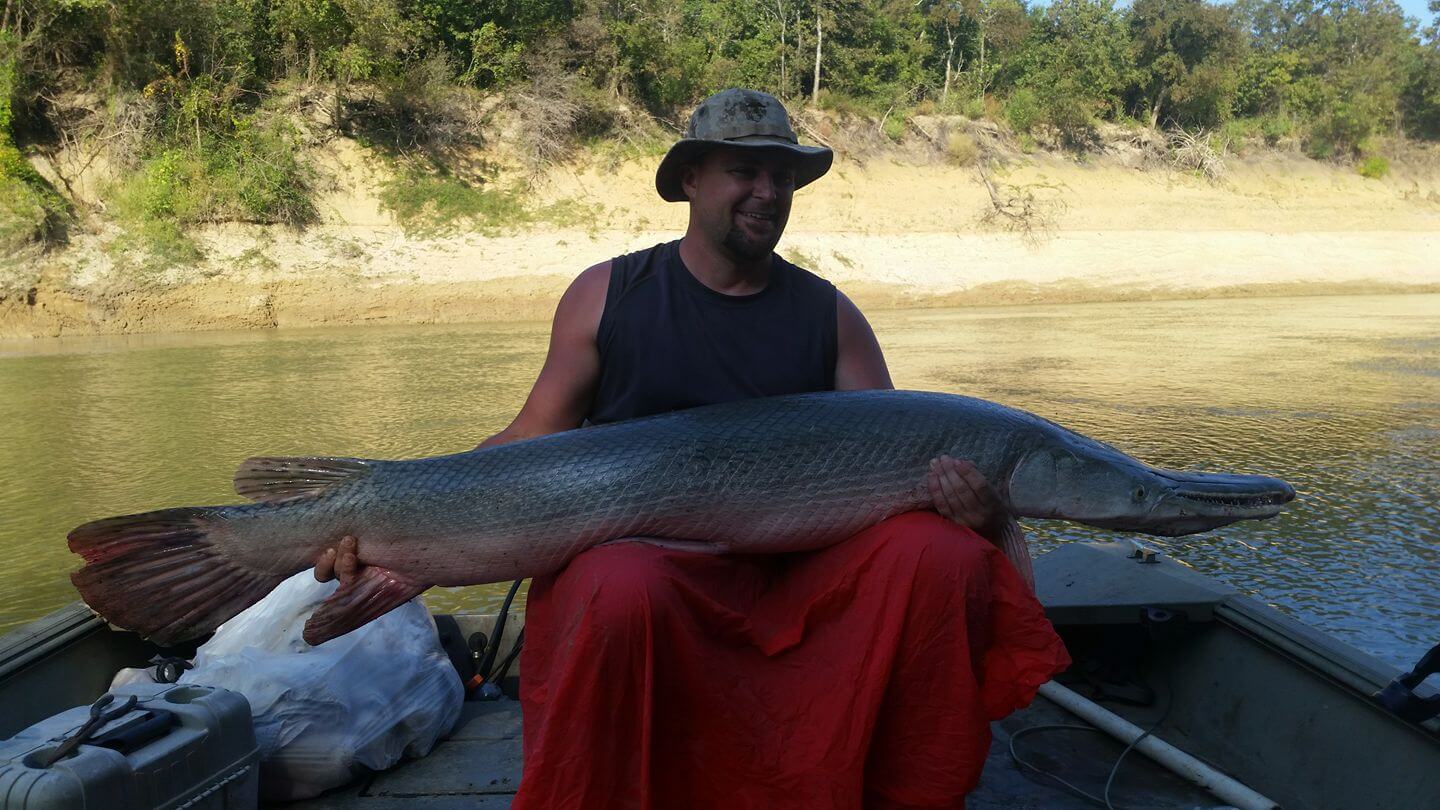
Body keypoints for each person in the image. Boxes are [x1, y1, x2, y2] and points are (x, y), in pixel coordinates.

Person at [317, 88, 1068, 808]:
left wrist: (970, 507)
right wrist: (383, 518)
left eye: (783, 176)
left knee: (943, 557)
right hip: (652, 572)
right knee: (620, 584)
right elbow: (526, 441)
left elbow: (899, 460)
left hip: (798, 581)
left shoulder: (832, 316)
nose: (767, 193)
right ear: (690, 179)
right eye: (745, 171)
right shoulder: (607, 293)